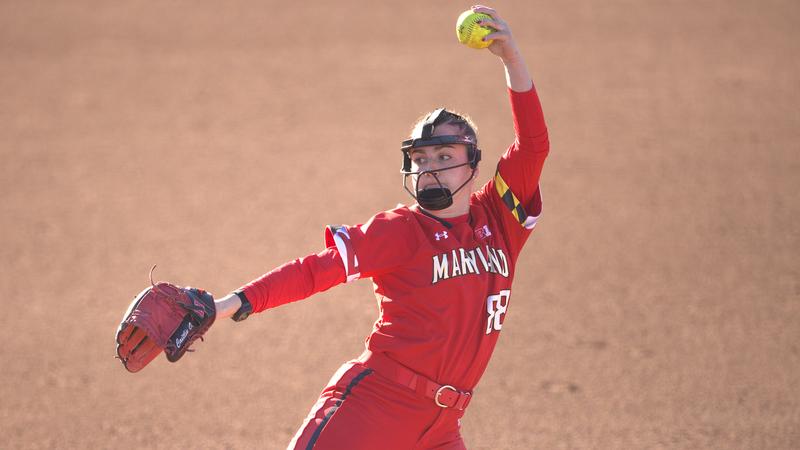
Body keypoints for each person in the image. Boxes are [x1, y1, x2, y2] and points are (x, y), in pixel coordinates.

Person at [214, 5, 549, 449]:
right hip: (372, 409)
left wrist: (511, 58)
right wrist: (226, 304)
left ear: (473, 163)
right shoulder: (399, 230)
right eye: (421, 159)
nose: (430, 169)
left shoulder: (499, 219)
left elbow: (534, 144)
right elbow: (316, 270)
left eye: (444, 157)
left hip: (442, 428)